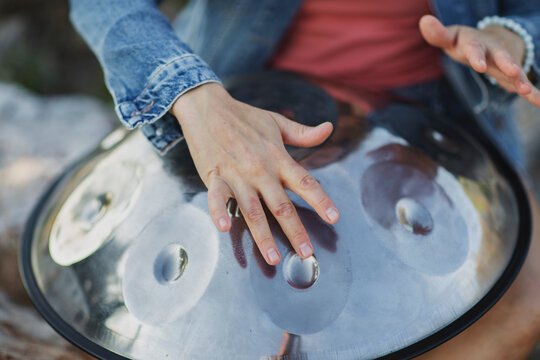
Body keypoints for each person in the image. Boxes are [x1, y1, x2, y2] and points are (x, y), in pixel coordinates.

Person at [69, 0, 540, 358]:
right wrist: (189, 94)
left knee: (511, 306)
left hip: (435, 116)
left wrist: (516, 35)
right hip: (235, 102)